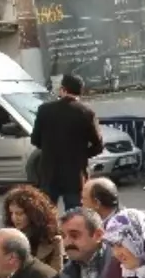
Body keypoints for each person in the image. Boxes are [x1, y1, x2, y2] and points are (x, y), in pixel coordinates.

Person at [30, 73, 103, 210]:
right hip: (75, 175)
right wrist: (81, 154)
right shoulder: (86, 112)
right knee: (75, 214)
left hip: (49, 173)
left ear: (63, 89)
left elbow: (35, 140)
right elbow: (98, 146)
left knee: (47, 215)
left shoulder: (44, 110)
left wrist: (50, 149)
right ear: (81, 91)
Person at [2, 185, 63, 272]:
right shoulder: (8, 237)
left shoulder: (53, 240)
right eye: (11, 213)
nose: (14, 218)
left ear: (32, 214)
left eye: (19, 213)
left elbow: (55, 275)